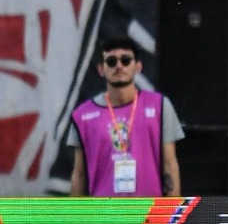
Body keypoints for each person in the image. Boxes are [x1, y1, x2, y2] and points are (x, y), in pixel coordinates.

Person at [69, 37, 183, 197]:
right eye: (111, 61)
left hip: (149, 211)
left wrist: (173, 214)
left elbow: (170, 164)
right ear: (101, 69)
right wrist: (75, 219)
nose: (119, 66)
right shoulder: (82, 115)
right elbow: (79, 174)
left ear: (138, 66)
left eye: (126, 60)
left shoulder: (160, 106)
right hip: (104, 214)